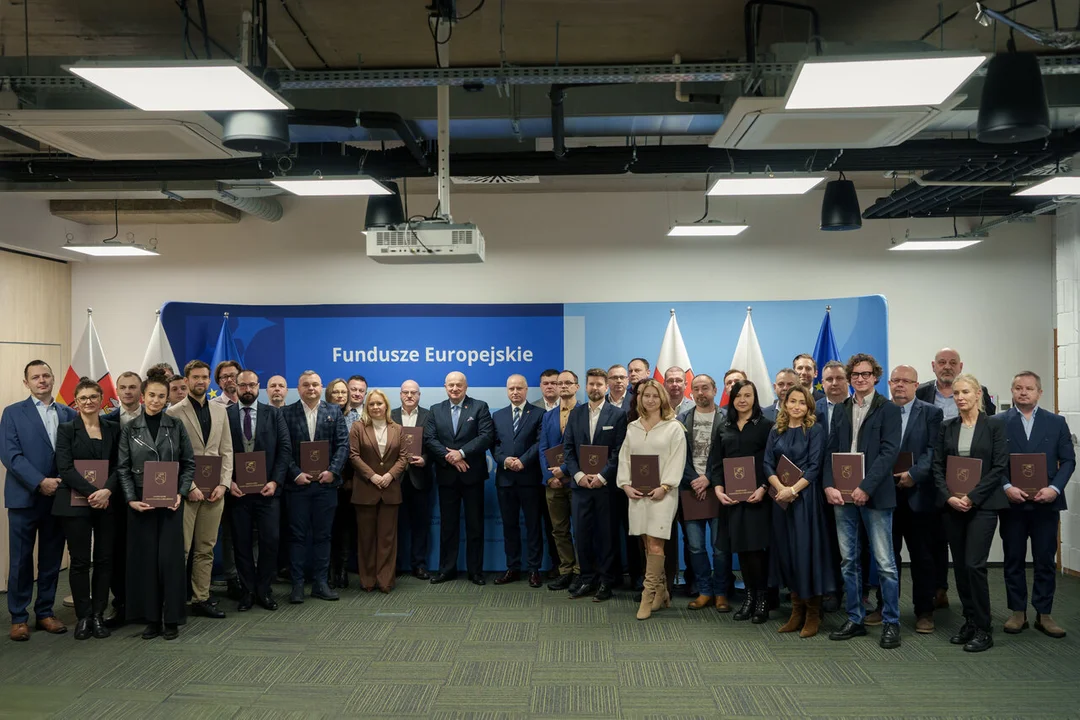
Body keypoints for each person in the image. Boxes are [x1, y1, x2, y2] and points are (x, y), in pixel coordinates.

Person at [824, 354, 902, 649]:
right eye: (855, 374)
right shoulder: (841, 409)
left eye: (865, 374)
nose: (860, 378)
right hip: (842, 497)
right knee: (848, 561)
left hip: (876, 495)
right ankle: (855, 618)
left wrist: (865, 487)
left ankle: (891, 622)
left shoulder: (888, 409)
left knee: (885, 563)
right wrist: (828, 485)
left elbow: (889, 453)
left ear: (875, 377)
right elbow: (830, 450)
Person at [932, 373, 1008, 653]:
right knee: (961, 566)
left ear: (978, 394)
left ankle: (984, 628)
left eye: (965, 392)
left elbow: (999, 467)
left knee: (975, 565)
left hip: (982, 506)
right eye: (956, 393)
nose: (960, 397)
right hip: (953, 506)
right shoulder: (947, 427)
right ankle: (970, 620)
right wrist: (949, 497)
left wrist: (972, 497)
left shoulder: (995, 426)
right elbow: (937, 466)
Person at [118, 369, 195, 640]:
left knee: (170, 562)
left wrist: (181, 493)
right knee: (146, 561)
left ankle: (171, 618)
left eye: (161, 396)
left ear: (167, 398)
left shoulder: (176, 426)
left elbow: (189, 464)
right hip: (142, 504)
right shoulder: (130, 429)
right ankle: (151, 618)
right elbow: (123, 468)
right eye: (151, 395)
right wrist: (131, 499)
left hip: (171, 502)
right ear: (143, 396)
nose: (156, 400)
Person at [2, 360, 76, 641]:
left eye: (46, 375)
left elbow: (75, 454)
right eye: (35, 377)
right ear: (27, 383)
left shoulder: (69, 413)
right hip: (25, 498)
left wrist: (60, 483)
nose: (41, 380)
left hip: (58, 497)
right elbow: (11, 455)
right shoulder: (12, 413)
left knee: (51, 559)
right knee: (21, 560)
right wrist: (39, 482)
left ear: (53, 379)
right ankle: (18, 617)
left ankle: (45, 612)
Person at [999, 371, 1074, 639]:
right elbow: (994, 462)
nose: (1023, 392)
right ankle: (1017, 612)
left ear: (1039, 393)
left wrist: (1055, 488)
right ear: (1012, 391)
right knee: (1013, 559)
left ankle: (1044, 613)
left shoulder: (1056, 422)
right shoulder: (998, 422)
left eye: (1029, 388)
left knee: (1044, 559)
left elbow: (1068, 461)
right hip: (1013, 503)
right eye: (1018, 388)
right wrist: (1006, 486)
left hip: (1046, 503)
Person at [764, 384, 834, 638]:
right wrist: (780, 489)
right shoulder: (776, 430)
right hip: (781, 501)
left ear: (809, 406)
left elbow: (815, 466)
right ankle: (796, 611)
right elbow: (767, 463)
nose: (796, 406)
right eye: (792, 401)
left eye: (802, 402)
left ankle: (813, 613)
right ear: (785, 404)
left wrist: (793, 490)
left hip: (806, 500)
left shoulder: (814, 430)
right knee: (787, 553)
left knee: (806, 553)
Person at [167, 360, 234, 620]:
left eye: (205, 377)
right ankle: (175, 601)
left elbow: (226, 450)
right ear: (186, 380)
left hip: (215, 492)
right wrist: (190, 486)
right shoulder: (174, 413)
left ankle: (201, 599)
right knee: (182, 549)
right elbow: (172, 455)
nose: (201, 381)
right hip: (187, 492)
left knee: (206, 548)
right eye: (196, 377)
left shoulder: (220, 411)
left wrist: (224, 484)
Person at [53, 378, 120, 640]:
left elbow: (120, 465)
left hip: (107, 502)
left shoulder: (113, 428)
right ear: (76, 402)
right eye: (83, 398)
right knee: (80, 561)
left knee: (104, 560)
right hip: (75, 503)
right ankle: (83, 616)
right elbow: (65, 468)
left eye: (93, 397)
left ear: (101, 399)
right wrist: (94, 493)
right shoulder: (66, 429)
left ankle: (98, 615)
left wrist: (107, 491)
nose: (89, 401)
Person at [618, 379, 687, 619]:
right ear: (640, 398)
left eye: (655, 396)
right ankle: (662, 590)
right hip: (637, 494)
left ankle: (647, 596)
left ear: (662, 399)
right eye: (646, 395)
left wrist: (665, 486)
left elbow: (677, 459)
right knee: (647, 544)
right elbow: (625, 458)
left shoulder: (674, 427)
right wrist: (625, 485)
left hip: (663, 494)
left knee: (656, 543)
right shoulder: (633, 427)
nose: (650, 400)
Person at [282, 371, 349, 604]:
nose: (311, 388)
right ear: (298, 388)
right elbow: (283, 449)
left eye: (315, 384)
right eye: (306, 385)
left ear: (321, 387)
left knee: (323, 536)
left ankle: (321, 583)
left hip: (325, 485)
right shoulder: (286, 413)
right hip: (297, 487)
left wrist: (333, 471)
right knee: (297, 537)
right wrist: (295, 473)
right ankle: (298, 585)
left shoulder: (334, 411)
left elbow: (343, 445)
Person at [226, 370, 291, 612]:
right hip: (237, 492)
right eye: (243, 385)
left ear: (258, 386)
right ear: (236, 386)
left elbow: (285, 450)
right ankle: (248, 591)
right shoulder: (225, 415)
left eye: (252, 385)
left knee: (270, 541)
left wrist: (275, 481)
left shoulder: (273, 414)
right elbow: (219, 451)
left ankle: (264, 589)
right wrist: (228, 482)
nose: (247, 389)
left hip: (267, 491)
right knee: (241, 543)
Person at [710, 379, 774, 623]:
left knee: (756, 550)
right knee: (742, 551)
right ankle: (749, 597)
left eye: (748, 395)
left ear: (755, 398)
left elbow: (772, 462)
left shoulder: (766, 426)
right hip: (732, 500)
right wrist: (718, 489)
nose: (742, 400)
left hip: (758, 498)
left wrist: (764, 487)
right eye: (738, 395)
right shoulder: (723, 427)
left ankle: (763, 600)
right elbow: (716, 463)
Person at [424, 371, 495, 585]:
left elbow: (486, 436)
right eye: (451, 385)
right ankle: (446, 570)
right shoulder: (435, 410)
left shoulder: (479, 407)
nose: (454, 388)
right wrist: (451, 457)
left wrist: (461, 453)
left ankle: (476, 571)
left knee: (475, 526)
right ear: (445, 387)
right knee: (448, 526)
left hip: (472, 476)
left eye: (459, 385)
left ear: (466, 386)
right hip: (447, 475)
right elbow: (429, 438)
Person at [887, 365, 944, 634]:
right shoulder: (882, 411)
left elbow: (933, 451)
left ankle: (924, 611)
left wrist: (913, 474)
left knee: (922, 557)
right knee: (888, 557)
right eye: (895, 380)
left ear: (915, 385)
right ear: (889, 384)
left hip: (919, 496)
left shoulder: (931, 413)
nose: (900, 385)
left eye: (905, 381)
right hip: (886, 495)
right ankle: (887, 608)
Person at [564, 368, 628, 602]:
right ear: (585, 386)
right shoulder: (576, 413)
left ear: (606, 386)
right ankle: (587, 579)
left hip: (606, 488)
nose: (595, 388)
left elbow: (619, 451)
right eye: (591, 384)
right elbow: (568, 449)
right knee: (582, 535)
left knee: (606, 535)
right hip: (580, 487)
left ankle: (606, 582)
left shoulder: (618, 415)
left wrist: (602, 476)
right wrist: (578, 475)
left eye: (599, 384)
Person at [678, 374, 730, 611]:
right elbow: (678, 455)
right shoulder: (682, 419)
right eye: (696, 389)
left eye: (705, 388)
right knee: (695, 547)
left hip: (718, 489)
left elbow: (728, 454)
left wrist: (708, 478)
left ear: (715, 390)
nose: (701, 393)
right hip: (690, 489)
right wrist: (694, 480)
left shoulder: (726, 418)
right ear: (691, 392)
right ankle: (704, 591)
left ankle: (721, 592)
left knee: (720, 548)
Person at [349, 389, 408, 592]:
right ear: (367, 407)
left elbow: (403, 457)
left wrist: (390, 475)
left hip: (390, 490)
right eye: (371, 404)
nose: (375, 407)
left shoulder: (397, 429)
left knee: (387, 539)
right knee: (366, 538)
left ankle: (385, 580)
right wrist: (372, 476)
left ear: (386, 406)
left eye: (379, 403)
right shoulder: (358, 427)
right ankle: (367, 580)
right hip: (366, 489)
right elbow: (353, 455)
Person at [491, 375, 545, 587]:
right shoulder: (498, 415)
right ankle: (512, 568)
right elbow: (494, 445)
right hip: (505, 480)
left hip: (530, 478)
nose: (515, 392)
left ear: (526, 389)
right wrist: (504, 460)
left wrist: (523, 461)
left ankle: (534, 569)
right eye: (511, 388)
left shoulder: (539, 414)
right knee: (509, 526)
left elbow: (540, 443)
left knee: (533, 526)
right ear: (507, 390)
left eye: (519, 388)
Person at [539, 370, 581, 591]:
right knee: (559, 530)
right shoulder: (548, 416)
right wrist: (549, 477)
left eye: (567, 383)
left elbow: (584, 449)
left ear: (576, 386)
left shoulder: (584, 413)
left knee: (580, 529)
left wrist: (563, 471)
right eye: (559, 383)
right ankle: (566, 570)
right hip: (553, 485)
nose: (563, 386)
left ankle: (580, 572)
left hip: (576, 481)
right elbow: (542, 448)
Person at [815, 359, 849, 612]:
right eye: (829, 379)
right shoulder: (812, 409)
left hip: (852, 484)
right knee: (826, 540)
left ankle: (858, 592)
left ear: (847, 381)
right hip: (818, 485)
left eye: (839, 378)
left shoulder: (858, 407)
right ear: (822, 382)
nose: (834, 383)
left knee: (855, 543)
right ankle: (830, 590)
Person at [392, 380, 435, 579]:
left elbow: (436, 444)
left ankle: (419, 565)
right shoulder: (389, 415)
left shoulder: (429, 415)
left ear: (419, 395)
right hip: (395, 479)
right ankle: (395, 564)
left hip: (420, 478)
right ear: (400, 394)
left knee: (420, 525)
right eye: (406, 392)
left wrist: (425, 459)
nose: (409, 396)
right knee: (394, 524)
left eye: (413, 392)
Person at [532, 369, 563, 577]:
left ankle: (575, 567)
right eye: (546, 383)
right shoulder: (532, 409)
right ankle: (556, 564)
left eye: (554, 382)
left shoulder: (575, 408)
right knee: (550, 524)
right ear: (541, 386)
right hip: (541, 477)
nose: (550, 386)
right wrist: (549, 476)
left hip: (569, 477)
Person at [325, 377, 355, 589]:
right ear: (329, 394)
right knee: (326, 528)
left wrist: (350, 478)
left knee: (345, 528)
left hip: (348, 482)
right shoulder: (322, 414)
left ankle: (342, 571)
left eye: (343, 392)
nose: (340, 395)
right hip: (324, 479)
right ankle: (326, 572)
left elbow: (356, 451)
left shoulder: (356, 417)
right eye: (336, 392)